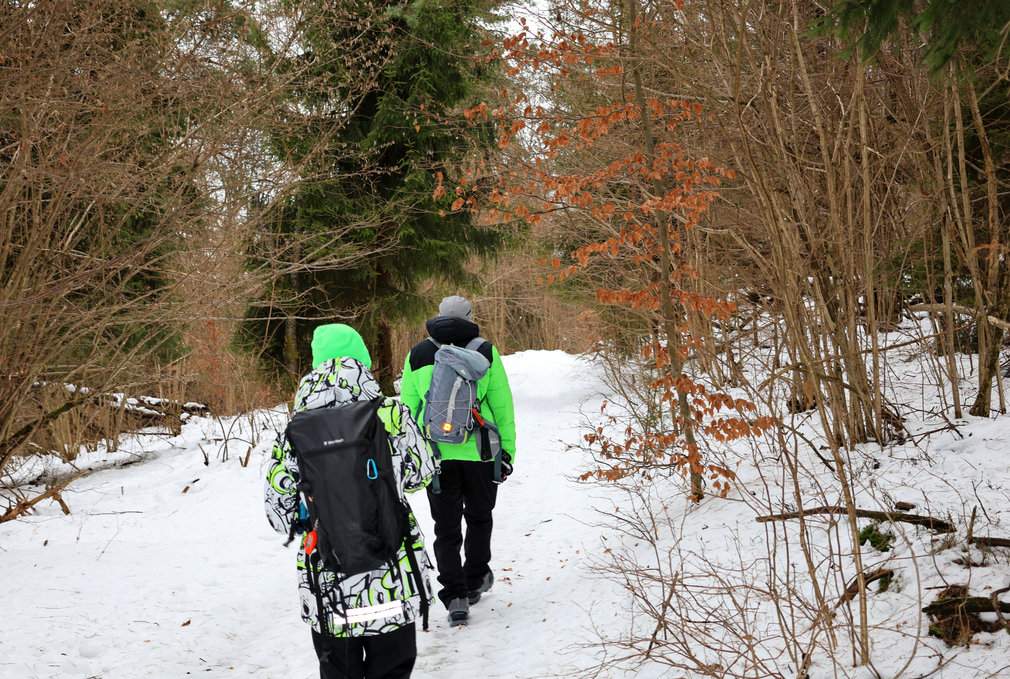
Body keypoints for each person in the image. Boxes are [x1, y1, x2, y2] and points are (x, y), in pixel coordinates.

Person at [264, 323, 436, 679]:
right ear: (363, 362)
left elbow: (278, 511)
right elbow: (422, 473)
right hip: (390, 572)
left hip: (329, 582)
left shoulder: (294, 432)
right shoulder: (392, 415)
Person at [399, 295, 516, 626]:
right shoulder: (485, 351)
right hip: (481, 451)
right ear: (470, 316)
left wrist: (413, 454)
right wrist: (507, 452)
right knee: (480, 517)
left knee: (445, 528)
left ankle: (455, 597)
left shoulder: (419, 354)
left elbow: (408, 410)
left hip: (437, 456)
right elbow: (503, 406)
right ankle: (476, 578)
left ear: (437, 317)